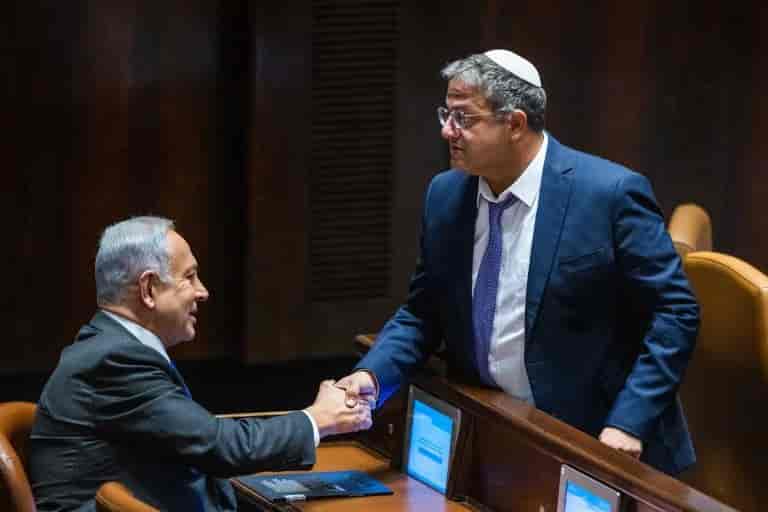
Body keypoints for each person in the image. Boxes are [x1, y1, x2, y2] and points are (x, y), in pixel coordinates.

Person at [336, 49, 699, 475]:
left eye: (463, 118)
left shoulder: (609, 194)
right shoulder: (446, 195)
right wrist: (371, 377)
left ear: (514, 124)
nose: (447, 130)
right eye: (446, 114)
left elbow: (675, 311)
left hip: (597, 442)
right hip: (495, 430)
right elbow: (423, 311)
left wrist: (628, 422)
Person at [28, 216, 372, 511]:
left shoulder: (110, 347)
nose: (203, 291)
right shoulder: (114, 361)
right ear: (148, 289)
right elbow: (217, 446)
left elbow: (198, 439)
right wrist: (319, 419)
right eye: (189, 277)